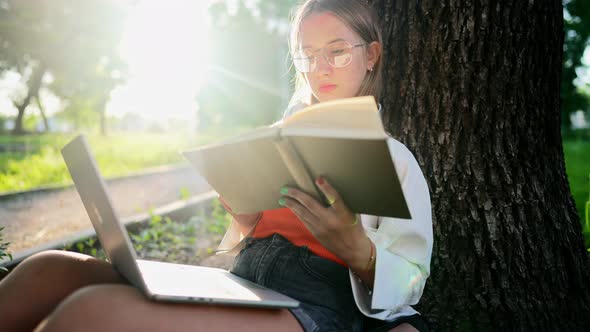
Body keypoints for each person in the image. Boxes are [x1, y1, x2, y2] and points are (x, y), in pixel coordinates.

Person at [0, 0, 433, 331]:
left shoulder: (395, 160)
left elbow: (414, 279)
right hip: (248, 281)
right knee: (46, 270)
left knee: (92, 311)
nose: (320, 68)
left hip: (314, 307)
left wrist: (357, 249)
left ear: (371, 54)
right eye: (307, 55)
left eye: (337, 52)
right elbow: (251, 235)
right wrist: (245, 217)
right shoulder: (280, 137)